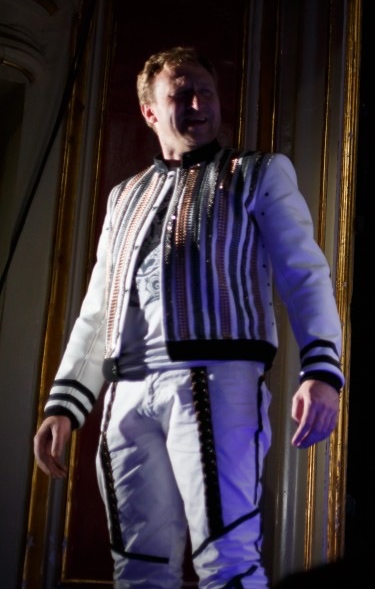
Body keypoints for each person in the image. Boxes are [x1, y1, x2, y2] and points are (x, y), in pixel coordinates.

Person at [32, 46, 344, 588]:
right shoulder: (124, 196)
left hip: (215, 380)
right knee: (138, 567)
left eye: (207, 92)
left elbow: (304, 272)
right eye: (182, 94)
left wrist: (322, 368)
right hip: (125, 393)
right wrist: (65, 403)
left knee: (228, 558)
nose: (199, 104)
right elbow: (98, 308)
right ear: (150, 111)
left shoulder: (258, 173)